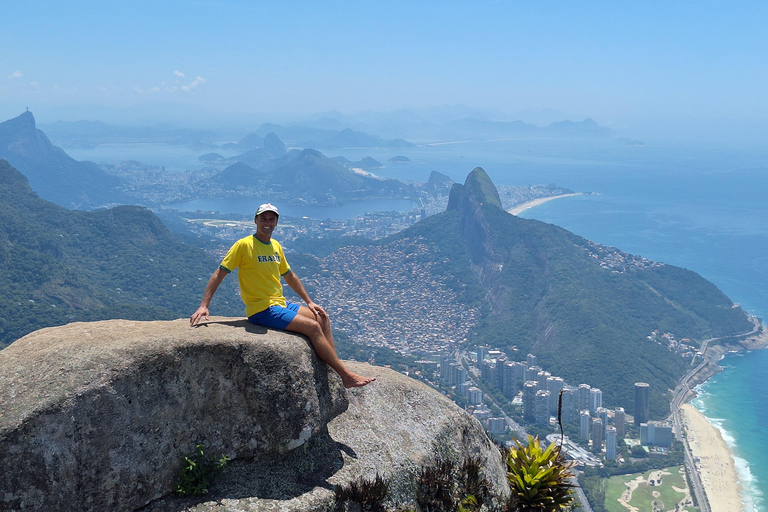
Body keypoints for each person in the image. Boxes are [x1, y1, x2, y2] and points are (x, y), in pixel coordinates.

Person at [190, 203, 374, 388]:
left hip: (280, 304)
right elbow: (219, 273)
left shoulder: (275, 246)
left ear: (277, 222)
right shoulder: (244, 245)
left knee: (322, 318)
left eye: (271, 219)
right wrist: (204, 305)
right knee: (313, 327)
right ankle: (345, 376)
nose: (267, 223)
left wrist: (309, 302)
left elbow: (289, 275)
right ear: (255, 220)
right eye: (263, 219)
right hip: (261, 309)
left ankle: (333, 368)